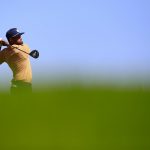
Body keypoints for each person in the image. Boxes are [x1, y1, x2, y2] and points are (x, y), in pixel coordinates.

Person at [0, 28, 32, 94]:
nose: (20, 37)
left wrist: (1, 44)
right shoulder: (24, 47)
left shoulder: (5, 52)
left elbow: (15, 49)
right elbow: (15, 49)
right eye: (17, 36)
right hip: (21, 86)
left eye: (20, 35)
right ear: (11, 39)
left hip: (18, 86)